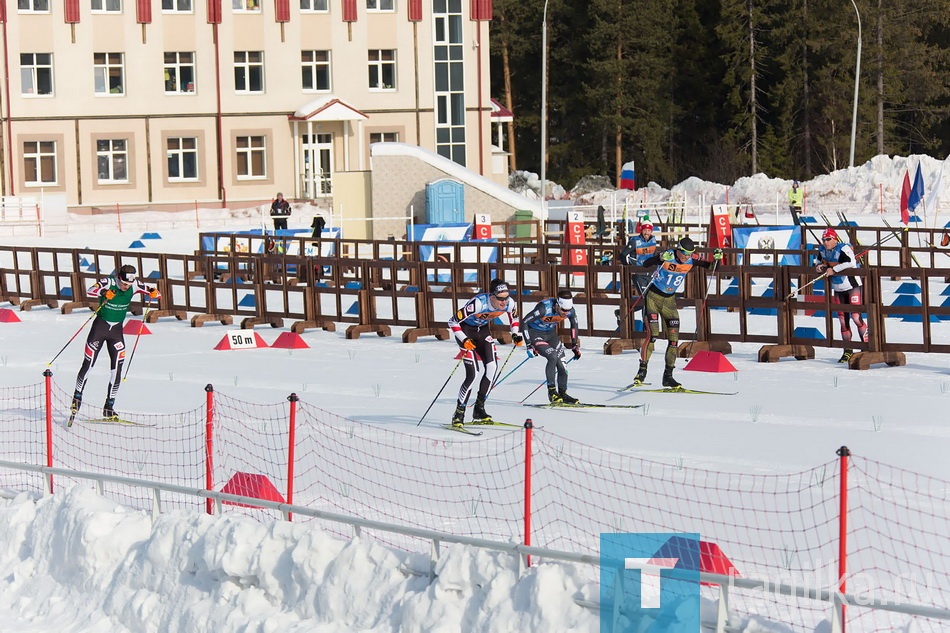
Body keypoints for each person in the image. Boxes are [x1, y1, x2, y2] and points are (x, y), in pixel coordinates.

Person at [71, 265, 160, 420]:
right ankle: (77, 398)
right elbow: (90, 290)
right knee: (88, 364)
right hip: (99, 328)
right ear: (119, 278)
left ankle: (109, 407)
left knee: (116, 369)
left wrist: (153, 292)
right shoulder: (108, 282)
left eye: (129, 285)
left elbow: (156, 294)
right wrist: (104, 292)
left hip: (117, 332)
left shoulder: (135, 285)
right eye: (124, 284)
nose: (126, 287)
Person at [633, 237, 723, 388]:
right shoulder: (668, 254)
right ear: (678, 250)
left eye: (690, 254)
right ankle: (642, 370)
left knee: (674, 340)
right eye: (684, 254)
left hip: (669, 302)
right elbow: (645, 264)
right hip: (653, 298)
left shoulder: (691, 259)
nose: (686, 257)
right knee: (653, 335)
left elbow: (712, 267)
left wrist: (717, 258)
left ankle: (668, 376)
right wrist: (660, 258)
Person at [448, 278, 522, 426]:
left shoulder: (510, 303)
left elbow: (514, 318)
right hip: (465, 331)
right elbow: (452, 321)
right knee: (473, 373)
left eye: (506, 298)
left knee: (492, 367)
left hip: (482, 331)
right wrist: (463, 340)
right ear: (492, 296)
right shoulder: (478, 304)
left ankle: (479, 409)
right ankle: (459, 413)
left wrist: (515, 333)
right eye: (500, 299)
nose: (504, 302)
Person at [816, 228, 867, 363]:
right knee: (843, 322)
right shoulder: (822, 249)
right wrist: (820, 266)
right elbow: (818, 261)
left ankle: (866, 346)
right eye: (824, 240)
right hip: (838, 288)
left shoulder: (843, 248)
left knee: (856, 317)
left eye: (828, 239)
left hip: (852, 286)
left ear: (835, 239)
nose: (826, 242)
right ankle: (847, 350)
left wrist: (834, 269)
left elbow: (850, 262)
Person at [521, 289, 581, 404]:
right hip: (535, 334)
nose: (566, 313)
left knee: (562, 364)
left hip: (551, 335)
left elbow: (574, 325)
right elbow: (524, 322)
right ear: (558, 305)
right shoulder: (544, 308)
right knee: (552, 356)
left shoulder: (570, 310)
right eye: (563, 310)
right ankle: (552, 393)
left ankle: (563, 394)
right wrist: (529, 344)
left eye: (568, 311)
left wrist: (575, 345)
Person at [618, 220, 658, 329]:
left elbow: (654, 255)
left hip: (650, 274)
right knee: (647, 298)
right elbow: (622, 256)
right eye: (645, 230)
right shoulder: (634, 241)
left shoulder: (653, 240)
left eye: (649, 230)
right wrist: (630, 268)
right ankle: (646, 325)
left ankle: (621, 311)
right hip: (638, 274)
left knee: (651, 299)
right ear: (641, 230)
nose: (647, 232)